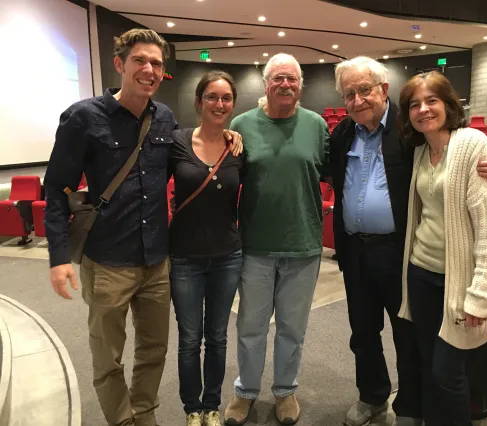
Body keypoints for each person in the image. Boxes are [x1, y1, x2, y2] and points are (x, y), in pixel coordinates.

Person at [44, 29, 241, 426]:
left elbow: (192, 156)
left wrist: (227, 135)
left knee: (154, 351)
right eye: (140, 61)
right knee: (107, 355)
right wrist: (59, 256)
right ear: (120, 65)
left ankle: (145, 414)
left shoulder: (163, 117)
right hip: (107, 261)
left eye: (156, 63)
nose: (149, 70)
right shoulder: (83, 116)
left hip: (156, 260)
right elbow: (55, 189)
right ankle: (122, 419)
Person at [329, 56, 487, 426]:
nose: (357, 100)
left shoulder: (406, 129)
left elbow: (464, 153)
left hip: (399, 254)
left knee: (409, 337)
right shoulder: (342, 134)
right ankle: (372, 396)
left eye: (364, 89)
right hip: (356, 251)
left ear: (383, 90)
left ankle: (409, 408)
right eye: (349, 94)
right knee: (363, 332)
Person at [397, 71, 487, 426]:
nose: (423, 110)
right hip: (421, 273)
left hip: (457, 280)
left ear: (449, 105)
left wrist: (482, 295)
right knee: (431, 366)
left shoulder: (472, 145)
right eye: (415, 104)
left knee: (448, 372)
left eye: (432, 101)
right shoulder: (420, 151)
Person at [223, 53, 329, 426]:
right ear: (266, 83)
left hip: (303, 244)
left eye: (293, 79)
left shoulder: (316, 126)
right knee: (250, 325)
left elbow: (338, 173)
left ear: (300, 85)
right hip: (254, 246)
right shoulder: (241, 124)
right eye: (278, 78)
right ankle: (245, 392)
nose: (286, 85)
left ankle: (285, 391)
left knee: (292, 328)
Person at [168, 70, 244, 426]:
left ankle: (212, 405)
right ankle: (191, 408)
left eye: (226, 98)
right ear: (198, 102)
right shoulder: (176, 143)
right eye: (211, 97)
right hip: (185, 257)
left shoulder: (237, 148)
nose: (219, 104)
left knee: (216, 337)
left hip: (227, 256)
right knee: (189, 338)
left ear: (232, 105)